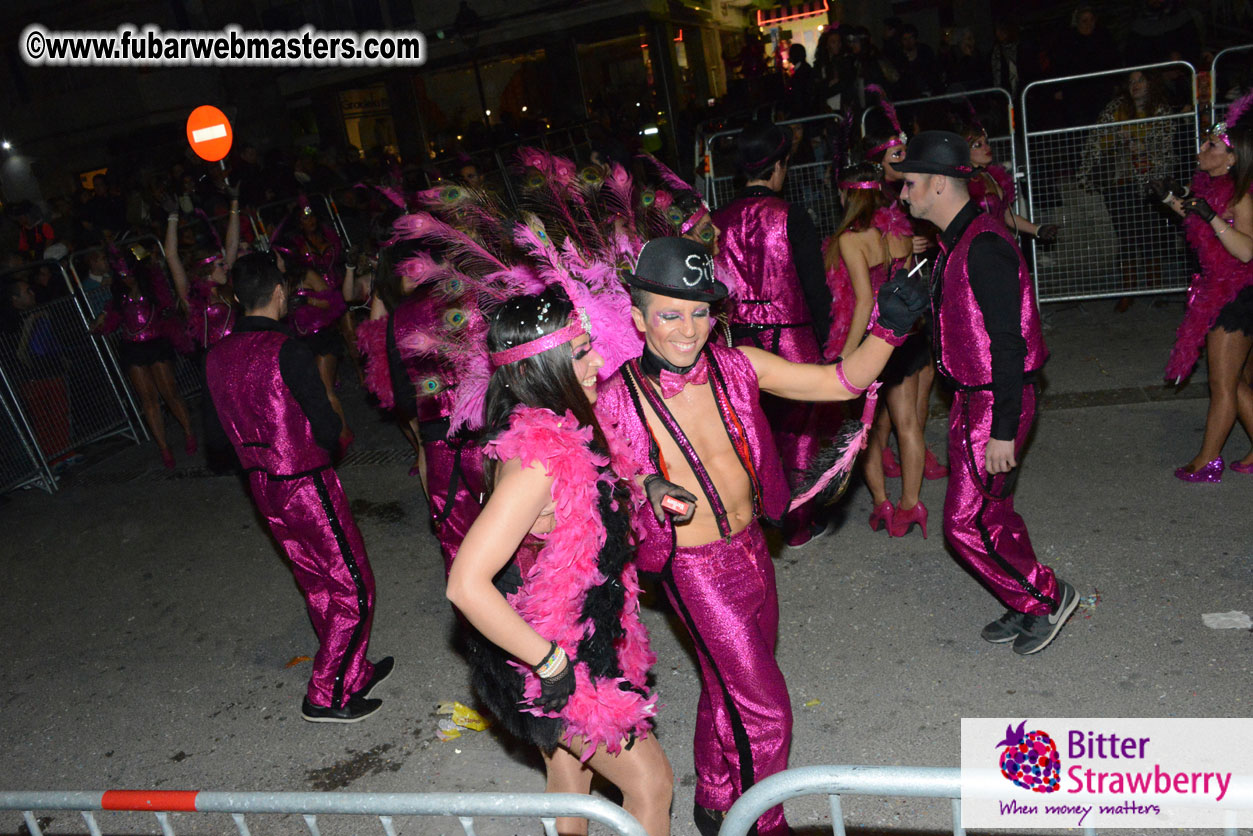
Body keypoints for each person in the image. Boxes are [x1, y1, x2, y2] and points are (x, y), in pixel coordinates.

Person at [595, 236, 928, 836]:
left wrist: (888, 328)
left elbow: (839, 383)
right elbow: (598, 471)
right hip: (693, 569)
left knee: (732, 683)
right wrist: (642, 486)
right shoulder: (614, 395)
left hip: (754, 550)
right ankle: (759, 826)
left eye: (700, 312)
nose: (686, 329)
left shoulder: (739, 364)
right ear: (639, 318)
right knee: (766, 710)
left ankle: (715, 793)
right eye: (669, 314)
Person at [446, 288, 673, 836]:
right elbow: (465, 584)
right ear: (539, 368)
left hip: (572, 630)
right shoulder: (538, 461)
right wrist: (550, 663)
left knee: (571, 776)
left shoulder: (564, 428)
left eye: (589, 346)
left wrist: (646, 484)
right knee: (651, 786)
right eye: (579, 354)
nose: (598, 362)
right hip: (547, 653)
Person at [895, 131, 1078, 655]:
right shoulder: (961, 239)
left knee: (963, 524)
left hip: (994, 403)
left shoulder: (985, 245)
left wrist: (1002, 431)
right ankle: (1025, 598)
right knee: (992, 513)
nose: (903, 196)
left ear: (938, 183)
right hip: (973, 401)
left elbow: (1007, 345)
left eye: (909, 184)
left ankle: (1046, 596)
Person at [203, 252, 392, 723]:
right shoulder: (287, 349)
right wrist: (322, 441)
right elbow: (327, 426)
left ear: (237, 297)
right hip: (305, 481)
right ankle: (325, 693)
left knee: (317, 582)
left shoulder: (215, 355)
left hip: (261, 486)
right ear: (281, 292)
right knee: (355, 585)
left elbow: (213, 441)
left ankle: (352, 671)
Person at [711, 120, 833, 548]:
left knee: (754, 432)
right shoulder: (791, 216)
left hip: (740, 344)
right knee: (800, 431)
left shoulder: (715, 221)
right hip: (793, 341)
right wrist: (829, 341)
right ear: (780, 166)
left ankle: (760, 516)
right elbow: (815, 288)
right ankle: (797, 523)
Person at [358, 247, 485, 574]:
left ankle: (471, 602)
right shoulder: (468, 297)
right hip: (484, 421)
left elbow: (403, 394)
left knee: (455, 522)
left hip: (436, 430)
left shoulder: (398, 318)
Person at [824, 162, 929, 536]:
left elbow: (865, 302)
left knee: (865, 430)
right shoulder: (900, 231)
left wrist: (844, 356)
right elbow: (912, 284)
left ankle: (883, 503)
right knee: (909, 426)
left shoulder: (851, 240)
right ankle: (910, 505)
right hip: (910, 338)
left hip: (876, 344)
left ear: (846, 195)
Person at [1154, 105, 1253, 479]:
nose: (1202, 147)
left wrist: (1210, 214)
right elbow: (1201, 219)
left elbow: (1245, 250)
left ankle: (1208, 460)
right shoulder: (1210, 188)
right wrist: (1169, 200)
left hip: (1237, 295)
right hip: (1217, 289)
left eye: (1212, 144)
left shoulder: (1240, 196)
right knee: (1237, 381)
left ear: (1231, 158)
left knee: (1222, 384)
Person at [1077, 70, 1176, 312]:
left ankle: (1157, 289)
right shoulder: (1115, 108)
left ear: (1150, 83)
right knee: (1126, 235)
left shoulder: (1161, 110)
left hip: (1150, 181)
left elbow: (1166, 145)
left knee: (1151, 234)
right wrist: (1119, 139)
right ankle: (1128, 291)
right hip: (1119, 180)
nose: (1135, 85)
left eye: (1140, 80)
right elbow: (1097, 139)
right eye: (1131, 81)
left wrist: (1143, 146)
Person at [92, 244, 195, 469]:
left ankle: (188, 433)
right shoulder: (118, 295)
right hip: (133, 349)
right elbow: (112, 317)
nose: (126, 279)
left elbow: (167, 305)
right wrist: (102, 320)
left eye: (128, 273)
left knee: (169, 393)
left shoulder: (152, 286)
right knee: (148, 400)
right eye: (121, 275)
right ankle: (164, 448)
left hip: (157, 343)